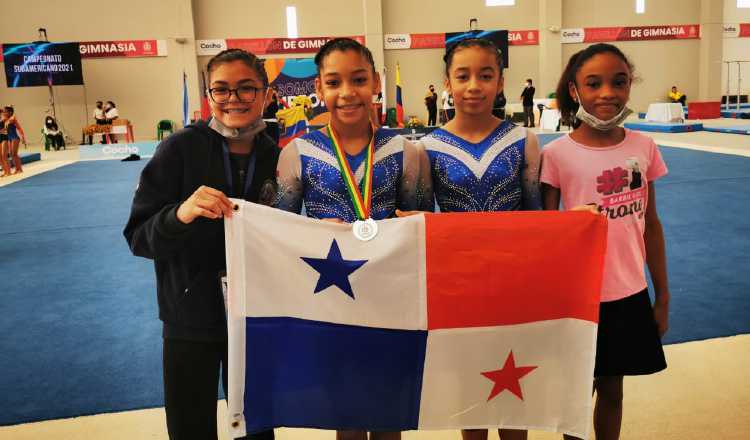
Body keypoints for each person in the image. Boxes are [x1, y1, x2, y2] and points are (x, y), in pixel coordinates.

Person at [273, 37, 433, 440]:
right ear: (319, 89)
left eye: (358, 79)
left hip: (390, 295)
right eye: (334, 82)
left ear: (376, 82)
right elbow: (278, 231)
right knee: (344, 408)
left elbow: (423, 226)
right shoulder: (298, 153)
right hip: (330, 295)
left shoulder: (406, 151)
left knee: (387, 408)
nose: (347, 92)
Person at [123, 48, 279, 440]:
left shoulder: (276, 156)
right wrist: (181, 214)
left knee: (257, 425)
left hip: (256, 315)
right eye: (221, 89)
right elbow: (139, 236)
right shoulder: (179, 149)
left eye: (246, 88)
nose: (234, 99)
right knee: (190, 425)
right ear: (208, 95)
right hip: (189, 315)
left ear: (265, 94)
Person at [540, 43, 669, 440]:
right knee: (577, 395)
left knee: (613, 388)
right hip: (580, 297)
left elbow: (650, 223)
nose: (607, 93)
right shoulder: (558, 154)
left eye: (619, 82)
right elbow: (548, 234)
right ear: (575, 91)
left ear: (630, 87)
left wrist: (661, 296)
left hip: (628, 291)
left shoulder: (643, 147)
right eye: (593, 84)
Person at [417, 37, 540, 440]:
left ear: (500, 82)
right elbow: (419, 222)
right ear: (447, 83)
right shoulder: (427, 147)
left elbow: (537, 218)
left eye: (485, 76)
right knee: (471, 387)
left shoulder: (523, 140)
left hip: (514, 281)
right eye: (463, 76)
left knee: (513, 388)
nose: (474, 85)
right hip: (460, 285)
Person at [1, 106, 27, 175]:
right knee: (12, 154)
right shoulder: (5, 119)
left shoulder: (13, 118)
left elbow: (19, 128)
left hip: (15, 138)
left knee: (14, 154)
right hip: (9, 138)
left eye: (6, 112)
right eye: (4, 112)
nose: (4, 113)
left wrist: (23, 137)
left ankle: (19, 169)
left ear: (10, 112)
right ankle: (17, 169)